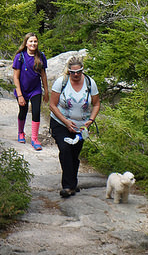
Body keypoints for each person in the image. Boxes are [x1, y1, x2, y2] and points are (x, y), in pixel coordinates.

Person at [49, 55, 100, 197]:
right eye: (73, 72)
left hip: (81, 127)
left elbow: (96, 104)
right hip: (61, 123)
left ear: (83, 70)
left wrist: (90, 120)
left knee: (74, 154)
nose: (76, 75)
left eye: (79, 71)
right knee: (65, 150)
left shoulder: (90, 83)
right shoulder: (61, 82)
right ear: (68, 71)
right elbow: (52, 105)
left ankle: (72, 183)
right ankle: (68, 187)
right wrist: (66, 122)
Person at [12, 33, 49, 150]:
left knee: (36, 111)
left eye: (35, 41)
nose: (33, 44)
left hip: (35, 89)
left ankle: (34, 138)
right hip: (22, 90)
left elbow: (43, 75)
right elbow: (15, 77)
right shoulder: (20, 57)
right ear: (26, 43)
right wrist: (20, 95)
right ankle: (20, 132)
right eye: (31, 41)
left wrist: (46, 91)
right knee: (23, 111)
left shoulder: (41, 56)